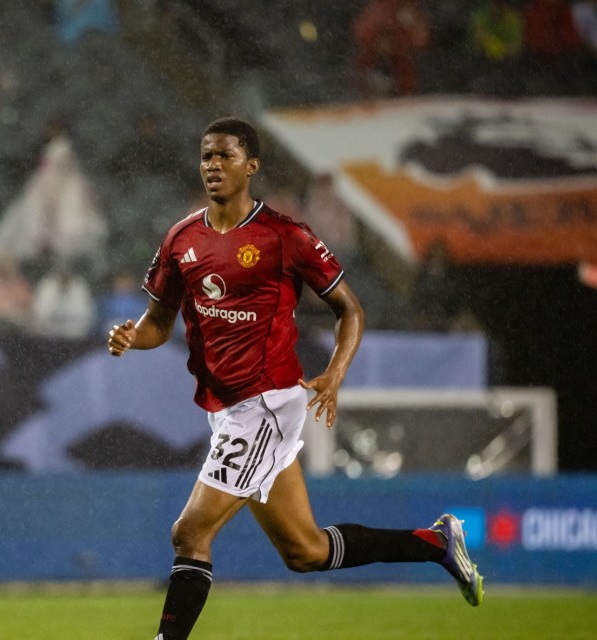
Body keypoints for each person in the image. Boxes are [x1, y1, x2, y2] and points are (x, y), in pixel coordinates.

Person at [107, 118, 483, 640]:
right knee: (305, 551)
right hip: (225, 410)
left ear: (252, 165)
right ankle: (436, 542)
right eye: (206, 156)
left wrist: (334, 373)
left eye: (225, 156)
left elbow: (350, 310)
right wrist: (132, 337)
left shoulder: (285, 236)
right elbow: (157, 324)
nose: (212, 165)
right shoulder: (180, 239)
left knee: (189, 533)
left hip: (267, 404)